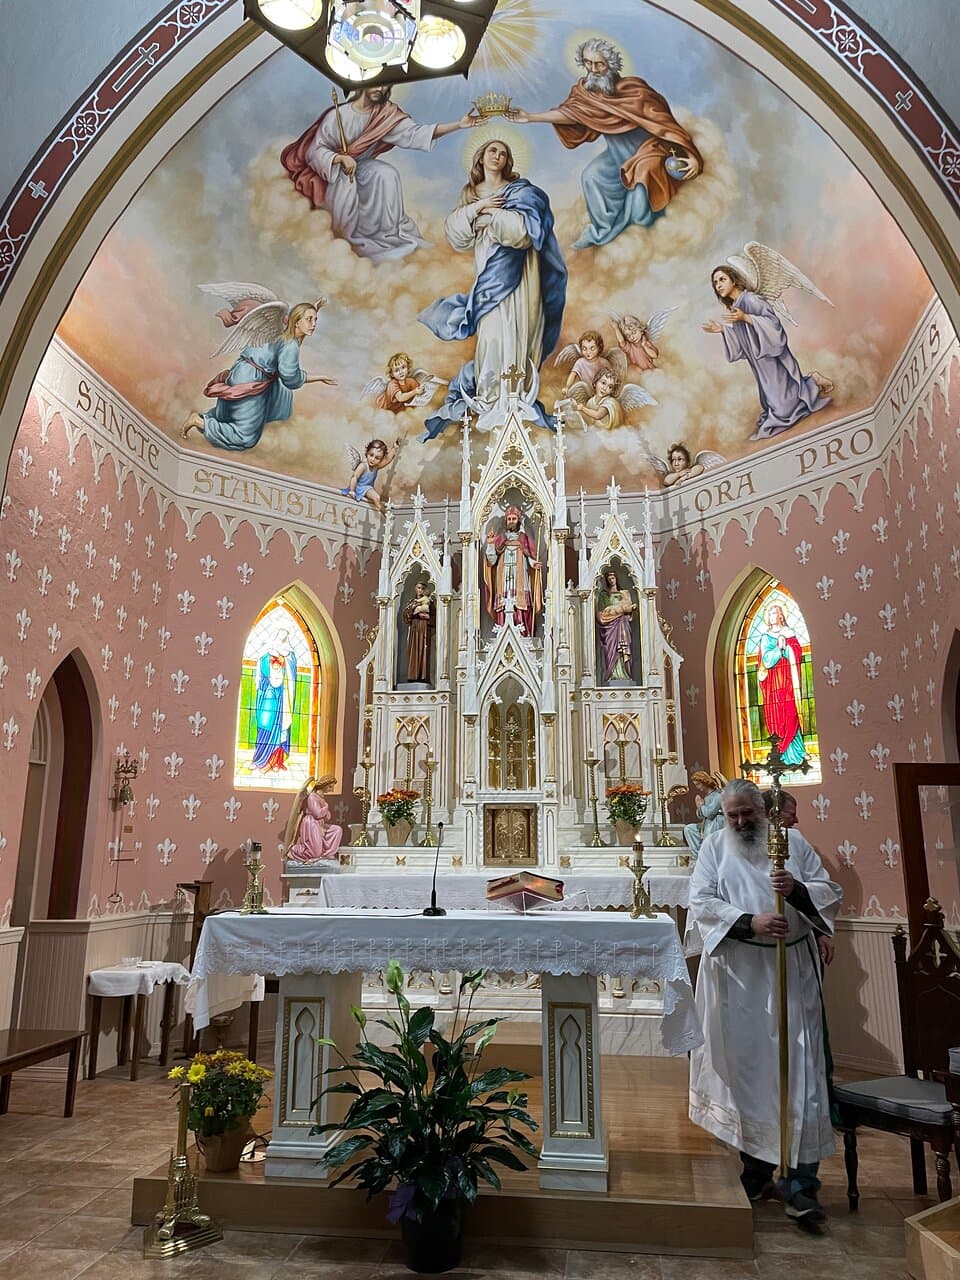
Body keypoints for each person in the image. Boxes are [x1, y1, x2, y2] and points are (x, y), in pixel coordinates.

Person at [687, 779, 841, 1222]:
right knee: (751, 1076)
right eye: (731, 815)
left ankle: (801, 1183)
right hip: (742, 979)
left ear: (764, 810)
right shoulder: (715, 847)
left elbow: (828, 892)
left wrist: (794, 890)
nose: (739, 823)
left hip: (791, 971)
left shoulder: (793, 842)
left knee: (800, 1077)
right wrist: (749, 922)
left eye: (746, 814)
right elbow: (701, 901)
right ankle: (755, 1171)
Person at [418, 138, 567, 438]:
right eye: (492, 150)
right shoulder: (471, 195)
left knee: (521, 331)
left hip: (522, 278)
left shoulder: (522, 192)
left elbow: (524, 234)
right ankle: (490, 399)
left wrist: (489, 217)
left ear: (509, 160)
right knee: (494, 333)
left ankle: (518, 397)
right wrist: (481, 207)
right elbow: (456, 233)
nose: (497, 155)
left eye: (503, 152)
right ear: (480, 158)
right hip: (489, 277)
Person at [511, 37, 702, 249]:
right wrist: (531, 117)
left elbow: (664, 123)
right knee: (592, 176)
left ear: (611, 64)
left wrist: (691, 155)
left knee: (640, 195)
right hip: (617, 154)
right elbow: (570, 114)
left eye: (599, 64)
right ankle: (602, 230)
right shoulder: (584, 93)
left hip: (649, 151)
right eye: (587, 63)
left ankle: (642, 234)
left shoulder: (634, 90)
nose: (593, 69)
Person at [281, 86, 480, 263]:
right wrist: (339, 159)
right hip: (334, 171)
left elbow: (416, 134)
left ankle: (386, 236)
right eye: (378, 83)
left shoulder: (385, 115)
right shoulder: (338, 115)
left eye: (387, 85)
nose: (382, 89)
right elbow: (314, 151)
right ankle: (348, 239)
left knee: (386, 174)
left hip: (362, 166)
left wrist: (458, 125)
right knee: (346, 184)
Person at [180, 302, 337, 451]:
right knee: (245, 437)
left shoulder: (280, 328)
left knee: (228, 415)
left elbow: (295, 316)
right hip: (252, 381)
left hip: (239, 371)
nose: (314, 324)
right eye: (309, 319)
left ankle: (205, 420)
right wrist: (319, 377)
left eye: (315, 319)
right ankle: (199, 421)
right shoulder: (290, 345)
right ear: (296, 321)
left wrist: (312, 308)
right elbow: (290, 377)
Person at [703, 266, 833, 439]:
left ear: (733, 280)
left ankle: (812, 382)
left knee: (785, 407)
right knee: (776, 404)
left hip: (772, 356)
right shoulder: (737, 306)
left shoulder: (751, 300)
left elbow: (773, 324)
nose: (718, 285)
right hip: (760, 362)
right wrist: (723, 330)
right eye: (715, 283)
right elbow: (744, 338)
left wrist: (746, 318)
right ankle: (809, 383)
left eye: (722, 279)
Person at [763, 789, 836, 968]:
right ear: (774, 814)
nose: (796, 820)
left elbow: (817, 889)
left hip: (799, 944)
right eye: (792, 815)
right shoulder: (735, 845)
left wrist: (820, 932)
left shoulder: (796, 841)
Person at [756, 601, 807, 765]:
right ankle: (779, 752)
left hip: (788, 681)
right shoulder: (765, 638)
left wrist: (788, 648)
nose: (772, 617)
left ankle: (798, 752)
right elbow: (766, 660)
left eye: (774, 613)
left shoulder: (789, 633)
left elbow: (797, 652)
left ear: (780, 615)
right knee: (777, 715)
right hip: (773, 685)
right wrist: (779, 649)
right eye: (769, 614)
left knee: (791, 712)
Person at [483, 505, 543, 638]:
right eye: (509, 518)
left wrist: (534, 564)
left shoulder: (524, 539)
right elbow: (491, 561)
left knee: (521, 606)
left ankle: (524, 635)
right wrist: (491, 544)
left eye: (513, 518)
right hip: (504, 579)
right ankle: (502, 636)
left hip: (520, 578)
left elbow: (529, 557)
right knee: (504, 606)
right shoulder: (500, 539)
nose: (511, 521)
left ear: (518, 520)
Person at [251, 628, 297, 773]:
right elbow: (261, 667)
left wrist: (285, 660)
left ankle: (277, 762)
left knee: (281, 727)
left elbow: (291, 670)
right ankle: (259, 759)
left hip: (282, 697)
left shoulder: (290, 653)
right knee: (265, 725)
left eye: (286, 633)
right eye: (281, 632)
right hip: (269, 695)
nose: (283, 636)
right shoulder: (267, 652)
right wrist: (271, 659)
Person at [284, 776, 343, 864]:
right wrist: (325, 807)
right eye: (330, 786)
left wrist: (325, 807)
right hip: (311, 823)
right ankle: (293, 850)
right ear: (324, 785)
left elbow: (327, 817)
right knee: (315, 852)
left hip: (320, 824)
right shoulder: (312, 796)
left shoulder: (321, 798)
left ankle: (326, 854)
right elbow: (317, 814)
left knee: (337, 830)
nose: (332, 789)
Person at [596, 569, 636, 682]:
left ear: (616, 579)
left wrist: (629, 609)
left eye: (613, 578)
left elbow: (630, 612)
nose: (611, 580)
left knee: (623, 649)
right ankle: (612, 674)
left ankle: (625, 674)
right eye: (609, 579)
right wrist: (619, 610)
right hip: (610, 628)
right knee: (611, 650)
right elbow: (601, 614)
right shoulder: (604, 595)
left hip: (622, 625)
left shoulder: (624, 593)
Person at [341, 437, 400, 514]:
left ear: (381, 459)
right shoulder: (363, 466)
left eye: (377, 458)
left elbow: (387, 459)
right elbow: (354, 477)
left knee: (376, 497)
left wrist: (394, 448)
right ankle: (385, 512)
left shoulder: (376, 467)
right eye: (371, 455)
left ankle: (384, 512)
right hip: (359, 487)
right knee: (376, 497)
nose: (373, 459)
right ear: (367, 453)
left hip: (368, 488)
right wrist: (352, 490)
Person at [683, 770, 725, 857]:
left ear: (704, 782)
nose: (697, 787)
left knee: (709, 835)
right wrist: (699, 806)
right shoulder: (707, 796)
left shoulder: (717, 795)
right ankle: (699, 855)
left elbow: (710, 814)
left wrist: (701, 805)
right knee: (689, 829)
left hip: (715, 822)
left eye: (698, 784)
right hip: (707, 823)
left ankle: (706, 856)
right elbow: (700, 815)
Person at [402, 581, 435, 684]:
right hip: (414, 629)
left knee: (423, 650)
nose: (420, 590)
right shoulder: (412, 602)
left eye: (422, 588)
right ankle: (412, 675)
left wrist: (425, 616)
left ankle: (423, 676)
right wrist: (412, 610)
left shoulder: (429, 602)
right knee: (413, 651)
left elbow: (434, 617)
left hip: (424, 628)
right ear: (415, 588)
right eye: (418, 587)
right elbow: (405, 615)